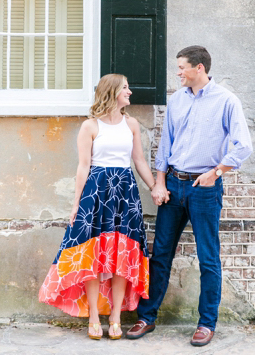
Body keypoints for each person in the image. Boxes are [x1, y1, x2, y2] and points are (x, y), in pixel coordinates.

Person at [127, 45, 253, 346]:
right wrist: (159, 182)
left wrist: (216, 172)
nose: (178, 73)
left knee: (208, 258)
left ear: (199, 68)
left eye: (182, 67)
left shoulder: (227, 101)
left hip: (204, 189)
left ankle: (206, 323)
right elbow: (166, 144)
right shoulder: (176, 100)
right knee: (161, 256)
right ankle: (147, 317)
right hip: (173, 185)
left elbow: (243, 146)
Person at [39, 74, 158, 340]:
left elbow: (138, 160)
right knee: (92, 254)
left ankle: (115, 317)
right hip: (96, 192)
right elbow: (83, 167)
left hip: (125, 193)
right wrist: (75, 204)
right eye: (126, 87)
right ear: (113, 91)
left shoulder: (132, 124)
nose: (130, 91)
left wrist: (155, 188)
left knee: (122, 256)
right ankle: (93, 316)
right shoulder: (90, 126)